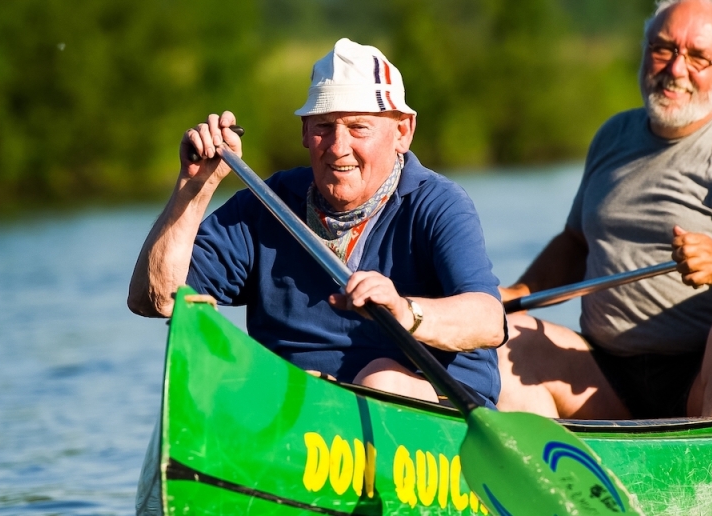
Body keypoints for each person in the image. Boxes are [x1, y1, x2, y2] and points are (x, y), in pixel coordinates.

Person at [127, 38, 505, 407]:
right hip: (305, 416)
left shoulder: (438, 204)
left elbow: (490, 321)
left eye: (358, 127)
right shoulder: (265, 204)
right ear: (305, 132)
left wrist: (405, 311)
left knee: (381, 379)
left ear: (402, 131)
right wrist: (194, 188)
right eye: (324, 127)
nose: (338, 147)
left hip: (437, 408)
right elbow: (155, 300)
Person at [496, 0, 712, 420]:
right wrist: (514, 296)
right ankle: (551, 475)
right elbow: (575, 242)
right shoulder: (613, 136)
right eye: (663, 49)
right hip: (605, 370)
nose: (676, 68)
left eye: (698, 57)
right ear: (645, 52)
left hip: (709, 371)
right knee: (503, 337)